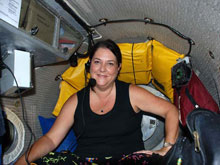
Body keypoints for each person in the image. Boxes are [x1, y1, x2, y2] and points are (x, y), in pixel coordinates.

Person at [15, 39, 179, 165]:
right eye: (97, 62)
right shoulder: (75, 101)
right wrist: (24, 161)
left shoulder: (131, 93)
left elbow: (170, 110)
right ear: (89, 66)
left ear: (118, 68)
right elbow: (51, 139)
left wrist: (167, 148)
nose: (102, 69)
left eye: (110, 64)